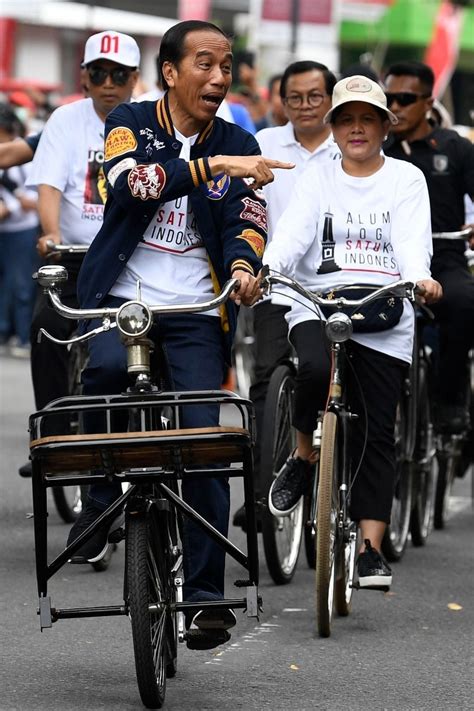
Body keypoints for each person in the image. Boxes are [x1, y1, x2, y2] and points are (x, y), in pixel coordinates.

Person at [68, 20, 293, 649]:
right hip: (123, 302)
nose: (219, 78)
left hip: (197, 311)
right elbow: (130, 184)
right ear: (170, 72)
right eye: (205, 64)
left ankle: (204, 598)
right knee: (106, 376)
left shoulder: (238, 139)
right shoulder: (131, 124)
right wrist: (211, 162)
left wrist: (245, 264)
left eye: (226, 66)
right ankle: (95, 503)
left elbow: (247, 218)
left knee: (204, 439)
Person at [264, 75, 442, 589]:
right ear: (334, 127)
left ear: (385, 126)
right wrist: (267, 267)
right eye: (346, 119)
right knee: (313, 369)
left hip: (383, 304)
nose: (357, 129)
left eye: (368, 118)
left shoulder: (406, 179)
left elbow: (412, 242)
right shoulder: (316, 176)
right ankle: (302, 456)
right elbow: (293, 230)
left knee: (375, 427)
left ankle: (369, 546)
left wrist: (420, 279)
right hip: (317, 300)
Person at [19, 31, 141, 476]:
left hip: (131, 258)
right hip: (72, 254)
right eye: (99, 73)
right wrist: (50, 234)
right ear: (85, 77)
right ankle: (51, 435)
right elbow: (48, 184)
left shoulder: (148, 119)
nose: (108, 83)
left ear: (135, 79)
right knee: (45, 328)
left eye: (119, 74)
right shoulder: (64, 120)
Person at [233, 60, 339, 529]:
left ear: (331, 99)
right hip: (276, 284)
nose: (304, 106)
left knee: (342, 385)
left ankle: (338, 479)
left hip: (341, 287)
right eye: (294, 97)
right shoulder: (264, 143)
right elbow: (247, 207)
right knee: (266, 380)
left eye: (314, 96)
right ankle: (259, 496)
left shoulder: (351, 146)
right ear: (282, 100)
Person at [383, 61, 474, 433]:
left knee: (465, 303)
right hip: (383, 259)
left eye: (405, 99)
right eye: (389, 98)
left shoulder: (455, 148)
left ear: (428, 102)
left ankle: (450, 398)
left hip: (444, 257)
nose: (395, 107)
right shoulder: (377, 145)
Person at [0, 104, 39, 355]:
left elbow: (36, 194)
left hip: (22, 231)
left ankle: (24, 336)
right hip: (4, 230)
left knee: (22, 285)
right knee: (4, 284)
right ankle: (4, 332)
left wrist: (13, 206)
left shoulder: (22, 154)